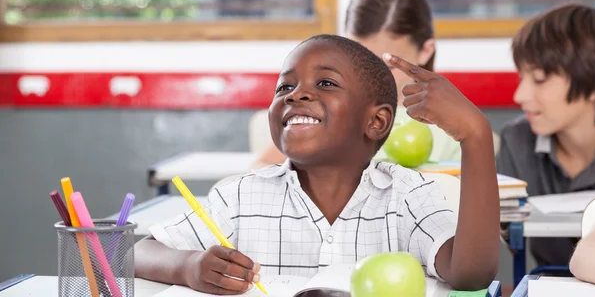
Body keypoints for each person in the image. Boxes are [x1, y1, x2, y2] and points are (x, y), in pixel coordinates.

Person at [135, 34, 499, 293]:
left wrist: (476, 135)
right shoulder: (241, 196)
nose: (297, 94)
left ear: (376, 122)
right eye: (284, 88)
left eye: (325, 82)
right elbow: (141, 251)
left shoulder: (407, 196)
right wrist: (189, 267)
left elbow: (470, 275)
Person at [252, 0, 462, 169]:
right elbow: (261, 167)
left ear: (425, 51)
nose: (371, 77)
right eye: (358, 62)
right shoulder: (327, 108)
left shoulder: (453, 126)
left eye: (387, 66)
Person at [496, 3, 595, 268]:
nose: (520, 96)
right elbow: (512, 243)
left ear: (592, 85)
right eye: (522, 78)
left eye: (540, 79)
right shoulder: (516, 141)